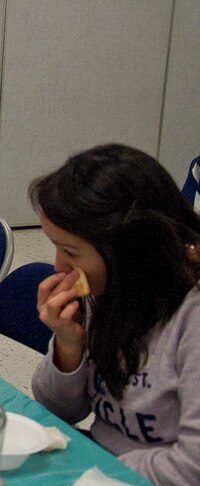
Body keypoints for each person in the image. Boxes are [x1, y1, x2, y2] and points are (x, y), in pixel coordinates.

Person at [30, 144, 200, 484]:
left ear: (129, 250)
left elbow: (191, 468)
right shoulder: (106, 291)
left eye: (70, 252)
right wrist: (68, 348)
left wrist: (98, 470)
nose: (59, 267)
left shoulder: (190, 320)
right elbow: (58, 410)